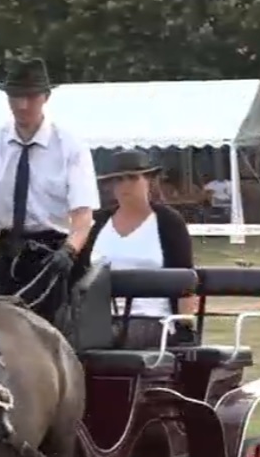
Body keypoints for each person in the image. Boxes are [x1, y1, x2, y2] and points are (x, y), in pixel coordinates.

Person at [0, 58, 100, 323]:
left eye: (29, 97)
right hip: (7, 248)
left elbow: (83, 217)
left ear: (45, 97)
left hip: (54, 253)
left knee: (47, 322)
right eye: (15, 97)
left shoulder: (71, 146)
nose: (21, 105)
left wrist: (69, 251)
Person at [72, 149, 197, 348]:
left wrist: (185, 325)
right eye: (118, 180)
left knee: (108, 338)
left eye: (132, 178)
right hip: (100, 318)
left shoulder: (168, 222)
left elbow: (185, 277)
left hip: (152, 319)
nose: (125, 186)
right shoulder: (99, 223)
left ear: (148, 181)